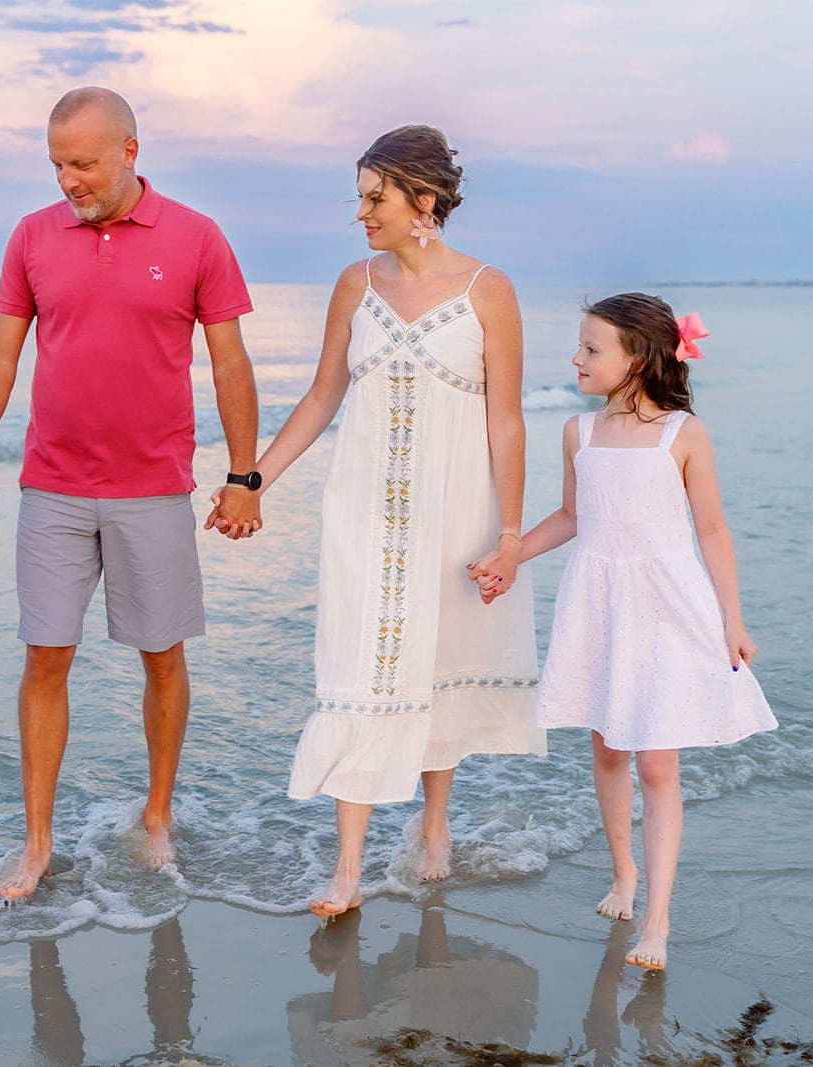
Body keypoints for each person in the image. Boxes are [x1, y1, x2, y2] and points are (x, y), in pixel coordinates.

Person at [206, 125, 543, 917]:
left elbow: (507, 421)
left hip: (457, 510)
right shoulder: (354, 283)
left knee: (437, 661)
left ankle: (433, 826)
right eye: (361, 196)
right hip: (362, 510)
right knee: (358, 668)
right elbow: (323, 396)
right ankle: (349, 867)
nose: (361, 212)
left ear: (422, 201)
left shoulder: (488, 289)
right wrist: (251, 480)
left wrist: (511, 536)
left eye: (374, 196)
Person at [0, 87, 261, 900]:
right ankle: (38, 840)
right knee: (45, 656)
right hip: (52, 486)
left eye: (82, 162)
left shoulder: (196, 236)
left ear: (129, 149)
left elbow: (229, 363)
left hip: (153, 489)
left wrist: (242, 475)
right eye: (56, 164)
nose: (68, 180)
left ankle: (157, 813)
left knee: (162, 654)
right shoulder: (31, 237)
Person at [487, 293, 777, 971]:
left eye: (591, 348)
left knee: (656, 760)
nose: (576, 358)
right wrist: (510, 556)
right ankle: (623, 874)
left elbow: (712, 529)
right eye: (579, 347)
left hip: (671, 601)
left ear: (638, 358)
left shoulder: (683, 433)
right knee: (610, 748)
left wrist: (733, 617)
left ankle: (658, 919)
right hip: (600, 598)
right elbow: (570, 516)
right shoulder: (577, 433)